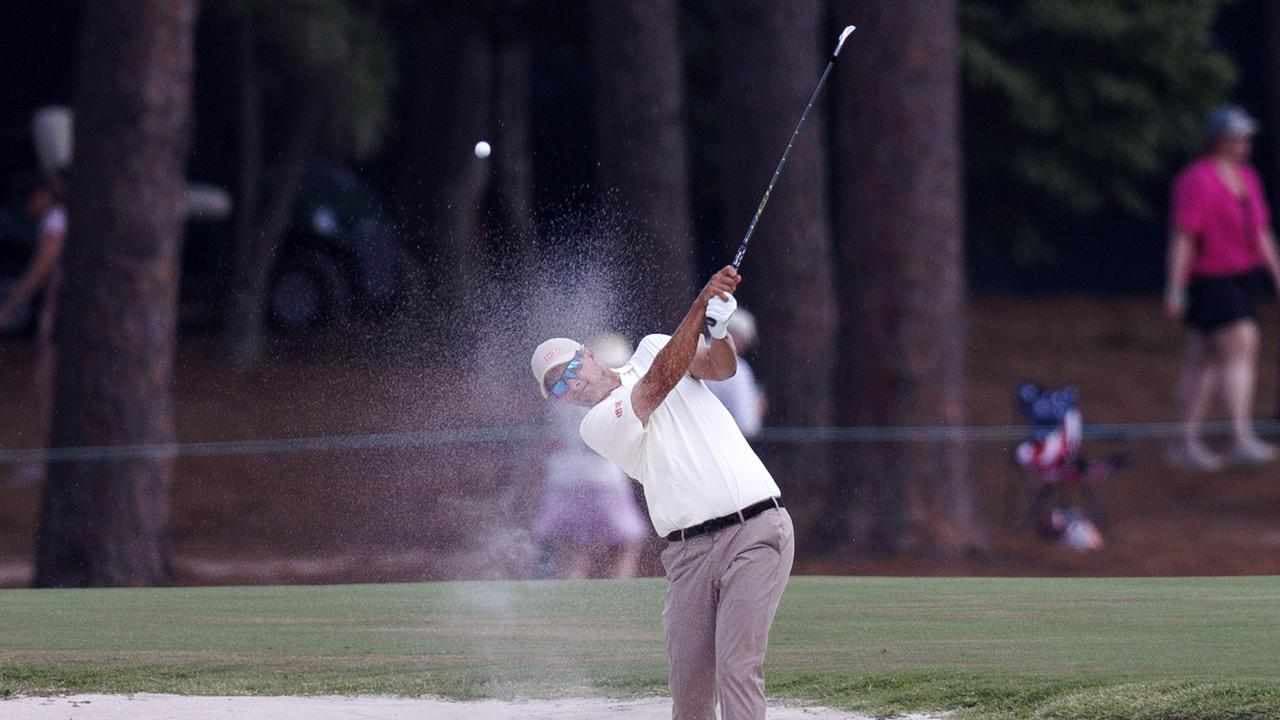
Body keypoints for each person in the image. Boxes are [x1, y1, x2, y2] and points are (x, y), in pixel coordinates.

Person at [530, 266, 793, 720]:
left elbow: (720, 367)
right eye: (556, 384)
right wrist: (698, 306)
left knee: (736, 667)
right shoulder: (596, 425)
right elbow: (656, 384)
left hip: (757, 529)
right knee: (690, 689)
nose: (570, 383)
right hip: (689, 553)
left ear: (589, 356)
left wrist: (720, 327)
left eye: (571, 368)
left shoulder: (654, 345)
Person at [1166, 105, 1280, 471]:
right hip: (1211, 278)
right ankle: (1240, 437)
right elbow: (1184, 237)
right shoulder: (1197, 179)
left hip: (1241, 277)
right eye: (1237, 137)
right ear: (1219, 140)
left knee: (1204, 360)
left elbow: (1261, 234)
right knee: (1242, 342)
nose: (1244, 143)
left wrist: (1277, 274)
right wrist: (1175, 287)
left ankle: (1185, 441)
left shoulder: (1248, 178)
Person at [532, 333, 648, 579]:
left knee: (574, 554)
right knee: (626, 545)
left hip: (563, 480)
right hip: (603, 478)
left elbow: (551, 439)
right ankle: (619, 603)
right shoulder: (614, 393)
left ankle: (574, 611)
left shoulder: (560, 393)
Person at [0, 172, 67, 486]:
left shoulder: (55, 219)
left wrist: (13, 302)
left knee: (46, 388)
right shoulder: (65, 217)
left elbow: (44, 266)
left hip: (63, 315)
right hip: (64, 312)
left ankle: (45, 461)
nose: (28, 206)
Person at [707, 308, 766, 438]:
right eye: (745, 341)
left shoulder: (692, 355)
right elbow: (747, 425)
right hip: (721, 441)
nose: (745, 347)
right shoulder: (738, 370)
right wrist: (757, 409)